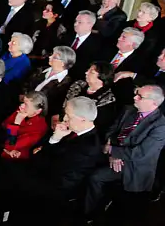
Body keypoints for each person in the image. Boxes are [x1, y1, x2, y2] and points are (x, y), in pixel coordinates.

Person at [84, 84, 165, 216]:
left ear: (154, 103)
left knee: (96, 177)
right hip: (113, 153)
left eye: (140, 96)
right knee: (83, 159)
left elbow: (141, 154)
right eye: (136, 93)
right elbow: (111, 131)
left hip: (133, 165)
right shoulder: (129, 110)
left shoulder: (160, 126)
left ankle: (90, 214)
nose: (135, 97)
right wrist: (113, 152)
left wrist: (113, 150)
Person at [62, 61, 118, 135]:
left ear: (102, 77)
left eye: (91, 72)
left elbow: (95, 124)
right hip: (63, 120)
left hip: (79, 131)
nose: (86, 73)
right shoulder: (78, 84)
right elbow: (64, 101)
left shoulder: (107, 99)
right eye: (88, 70)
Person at [0, 91, 49, 160]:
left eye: (26, 104)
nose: (21, 106)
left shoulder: (39, 129)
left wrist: (16, 123)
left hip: (9, 158)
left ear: (38, 111)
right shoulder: (23, 111)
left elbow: (10, 146)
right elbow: (4, 124)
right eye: (23, 102)